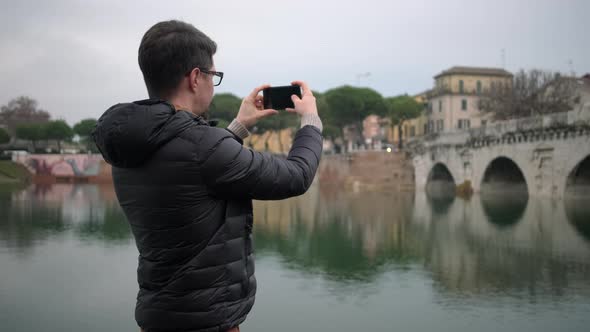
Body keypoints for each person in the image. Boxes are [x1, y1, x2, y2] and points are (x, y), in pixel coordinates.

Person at [92, 20, 323, 332]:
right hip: (207, 321)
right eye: (214, 76)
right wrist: (310, 120)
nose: (214, 84)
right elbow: (296, 175)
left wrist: (239, 126)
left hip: (158, 317)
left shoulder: (129, 145)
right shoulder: (203, 148)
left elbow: (192, 170)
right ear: (195, 78)